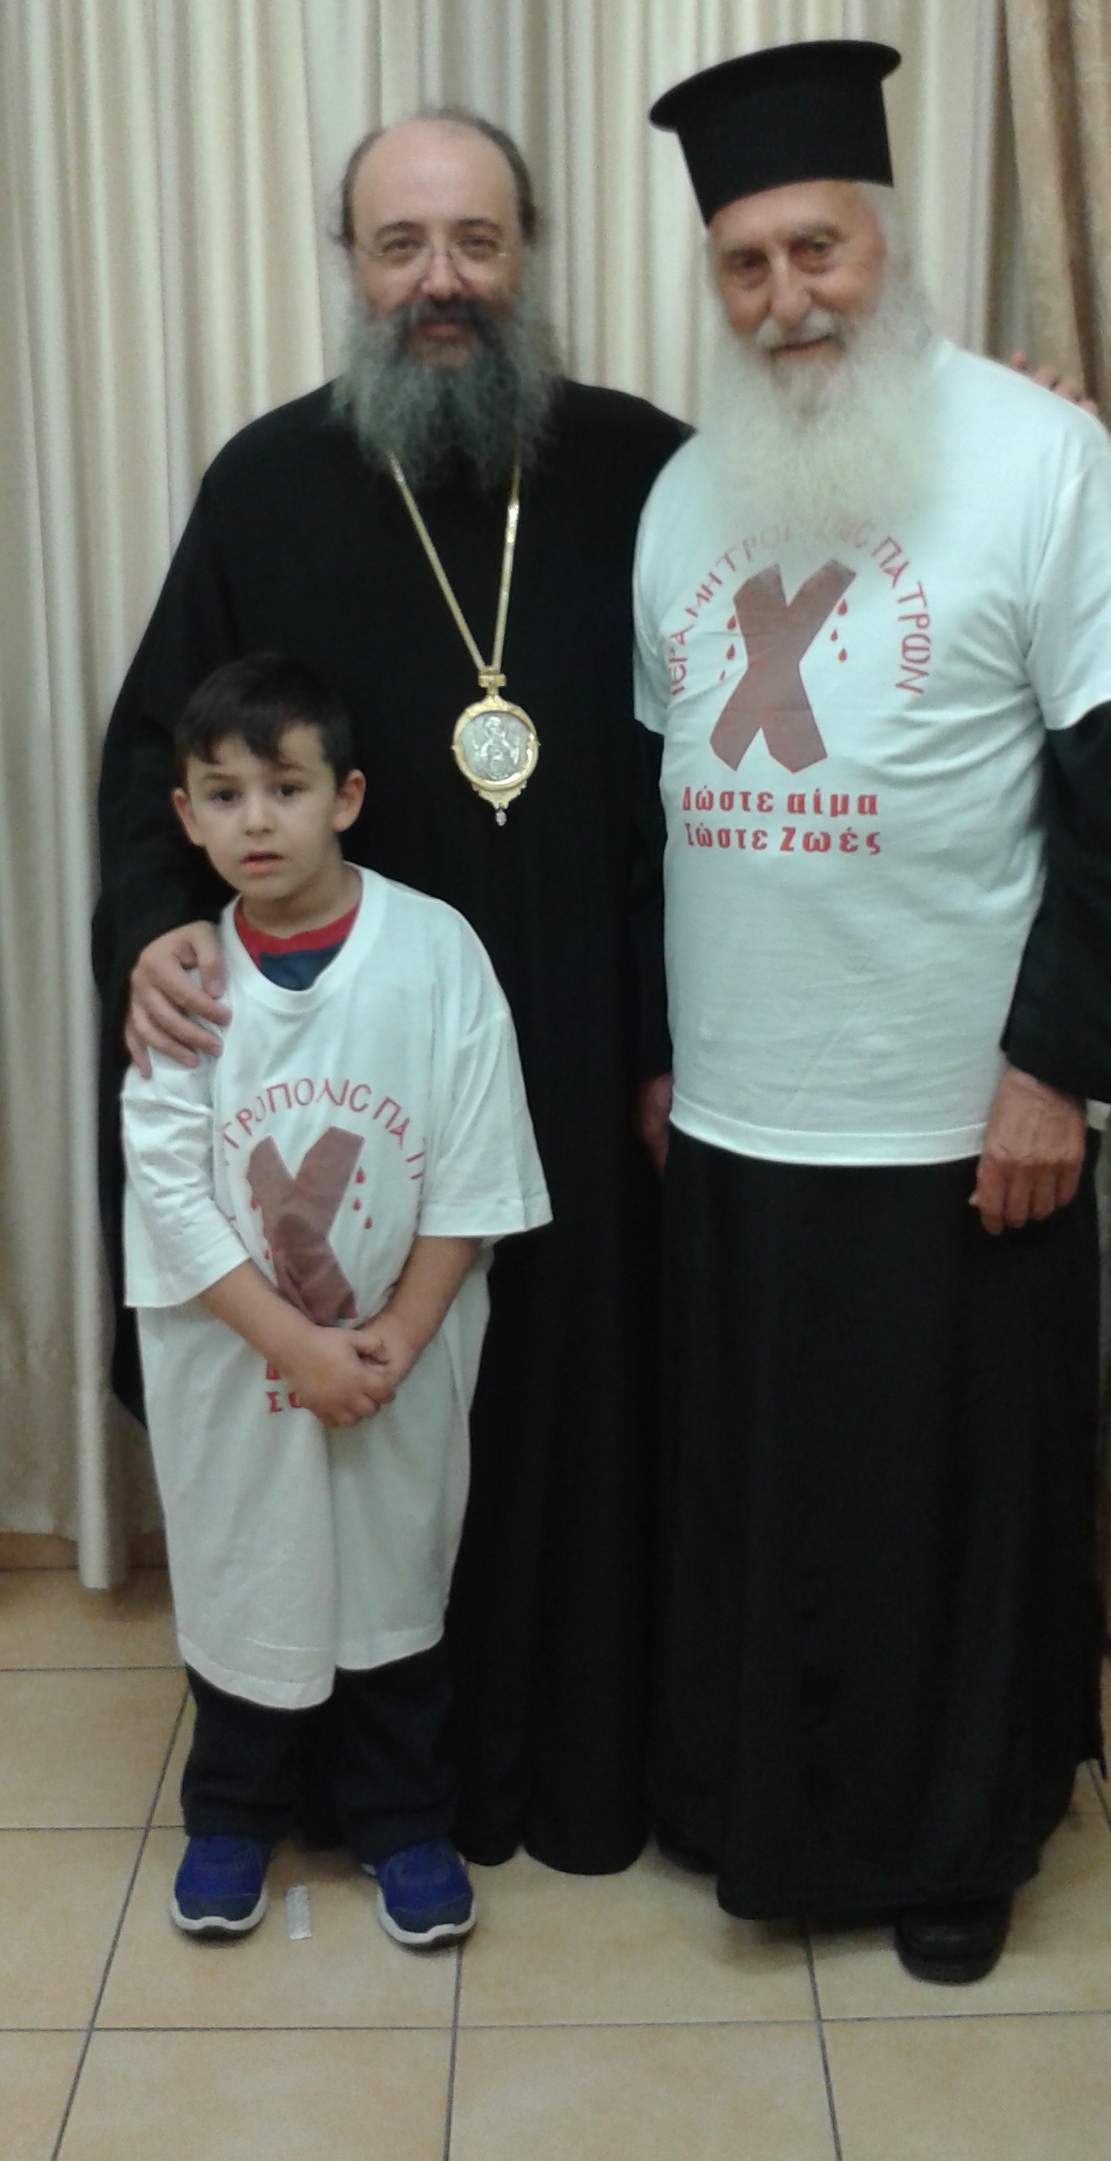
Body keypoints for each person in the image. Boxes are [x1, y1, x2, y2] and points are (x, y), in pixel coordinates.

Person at [95, 110, 689, 1875]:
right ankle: (303, 1775)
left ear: (530, 253)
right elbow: (156, 751)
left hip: (587, 1034)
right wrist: (152, 933)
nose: (442, 281)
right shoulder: (266, 483)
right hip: (333, 1051)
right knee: (339, 1419)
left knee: (556, 1402)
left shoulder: (646, 468)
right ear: (349, 264)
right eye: (401, 245)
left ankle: (560, 1760)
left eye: (477, 242)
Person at [635, 41, 1111, 1983]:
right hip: (744, 1105)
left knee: (952, 1508)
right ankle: (764, 1815)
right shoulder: (684, 492)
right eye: (746, 264)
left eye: (818, 248)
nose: (787, 297)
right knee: (772, 1490)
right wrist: (659, 1058)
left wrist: (1057, 1074)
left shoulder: (1042, 457)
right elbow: (647, 793)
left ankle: (957, 1842)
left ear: (886, 242)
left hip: (960, 1113)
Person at [121, 654, 549, 1947]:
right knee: (246, 1568)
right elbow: (166, 1186)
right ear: (185, 816)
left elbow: (475, 1166)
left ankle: (404, 1819)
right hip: (235, 1355)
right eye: (224, 795)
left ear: (347, 797)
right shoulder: (189, 980)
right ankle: (231, 1814)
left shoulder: (434, 952)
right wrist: (292, 1347)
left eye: (286, 788)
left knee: (393, 1575)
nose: (257, 821)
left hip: (397, 1357)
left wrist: (395, 1339)